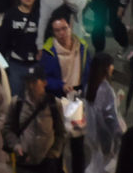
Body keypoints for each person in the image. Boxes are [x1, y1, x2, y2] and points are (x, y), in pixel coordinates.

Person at [41, 10, 92, 173]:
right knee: (59, 143)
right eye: (57, 30)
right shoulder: (48, 51)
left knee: (78, 142)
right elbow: (44, 79)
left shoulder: (82, 46)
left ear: (70, 26)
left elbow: (89, 71)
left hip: (78, 98)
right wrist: (60, 85)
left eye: (64, 28)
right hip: (59, 99)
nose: (62, 33)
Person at [2, 63, 66, 173]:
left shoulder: (54, 104)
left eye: (34, 82)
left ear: (44, 83)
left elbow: (61, 132)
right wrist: (16, 145)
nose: (30, 85)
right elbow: (7, 129)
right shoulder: (17, 103)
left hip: (47, 164)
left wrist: (54, 152)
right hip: (24, 164)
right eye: (28, 81)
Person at [85, 53, 124, 173]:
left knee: (96, 163)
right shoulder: (106, 90)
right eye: (111, 65)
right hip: (105, 136)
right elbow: (110, 118)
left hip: (92, 134)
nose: (113, 67)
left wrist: (116, 100)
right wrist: (119, 136)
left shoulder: (89, 86)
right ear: (106, 68)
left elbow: (98, 109)